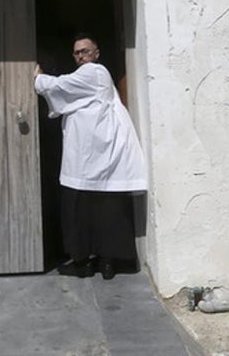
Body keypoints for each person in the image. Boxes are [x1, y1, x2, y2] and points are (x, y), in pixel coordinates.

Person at [34, 34, 147, 280]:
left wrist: (39, 79)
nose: (80, 56)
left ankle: (85, 262)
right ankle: (105, 262)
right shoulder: (88, 75)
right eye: (76, 52)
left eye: (85, 51)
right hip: (89, 155)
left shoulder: (94, 72)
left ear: (97, 53)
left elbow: (60, 86)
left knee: (87, 208)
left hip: (92, 154)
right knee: (102, 207)